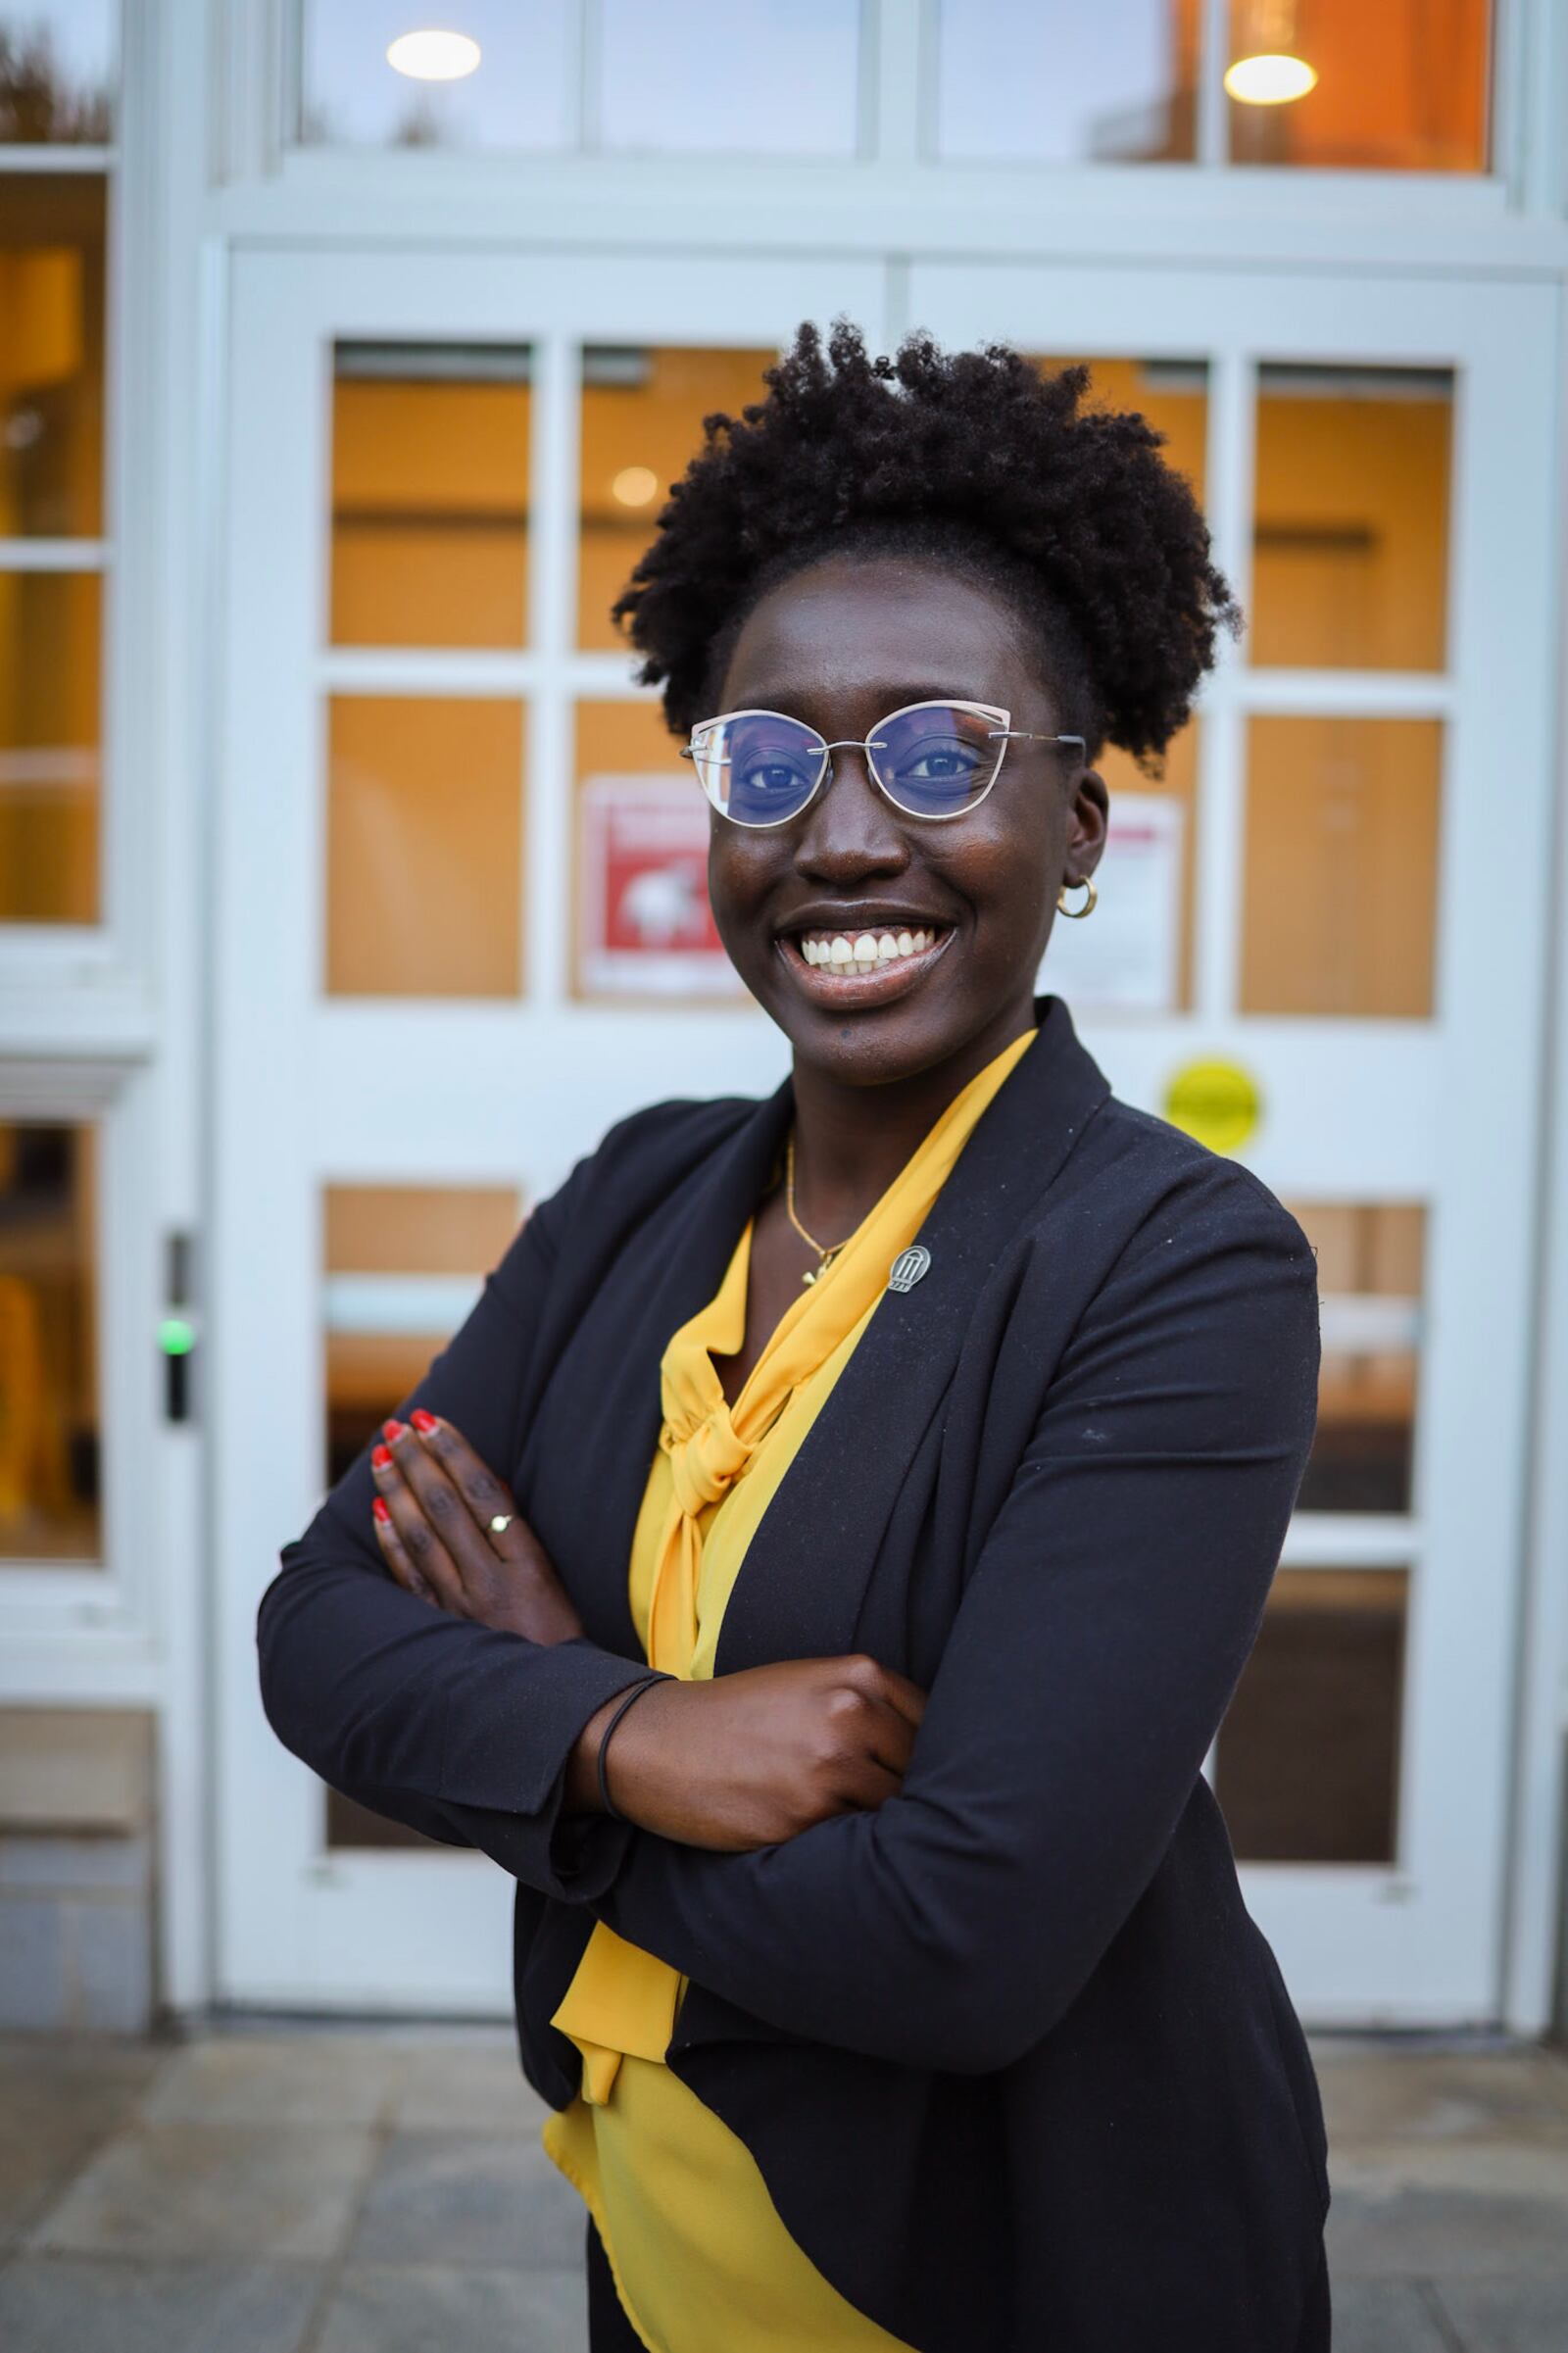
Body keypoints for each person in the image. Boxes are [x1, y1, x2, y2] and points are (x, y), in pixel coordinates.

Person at [256, 320, 1331, 2352]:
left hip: (1019, 2277)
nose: (842, 836)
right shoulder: (637, 1195)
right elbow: (313, 1630)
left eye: (938, 752)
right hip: (666, 2259)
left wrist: (520, 1733)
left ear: (1080, 825)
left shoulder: (1173, 1265)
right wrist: (628, 1735)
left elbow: (961, 1943)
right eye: (771, 761)